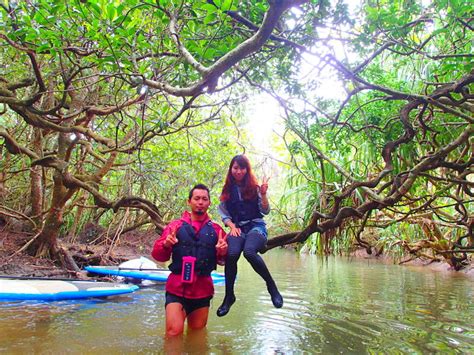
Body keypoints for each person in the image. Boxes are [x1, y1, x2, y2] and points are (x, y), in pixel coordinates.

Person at [151, 184, 227, 336]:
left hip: (202, 291)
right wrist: (166, 244)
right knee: (173, 333)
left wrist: (222, 252)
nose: (200, 202)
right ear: (189, 201)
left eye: (204, 199)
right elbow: (158, 256)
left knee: (197, 335)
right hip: (177, 289)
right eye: (196, 198)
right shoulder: (175, 226)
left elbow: (223, 261)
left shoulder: (217, 230)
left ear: (209, 203)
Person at [216, 155, 283, 317]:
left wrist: (264, 195)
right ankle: (229, 296)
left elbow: (265, 211)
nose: (238, 171)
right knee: (231, 254)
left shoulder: (255, 188)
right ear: (231, 169)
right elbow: (224, 214)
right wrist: (231, 226)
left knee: (249, 252)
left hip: (256, 227)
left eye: (242, 168)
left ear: (247, 170)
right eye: (235, 168)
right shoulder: (227, 190)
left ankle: (271, 286)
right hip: (237, 228)